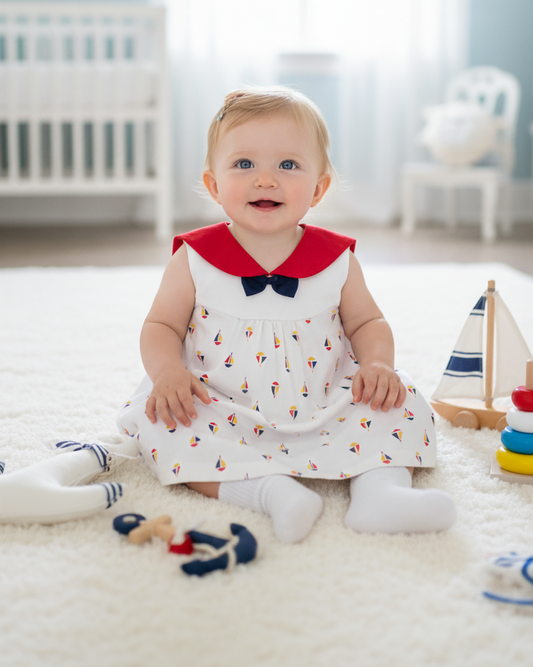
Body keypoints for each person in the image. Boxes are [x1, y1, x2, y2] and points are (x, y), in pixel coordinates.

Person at [118, 87, 456, 543]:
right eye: (244, 164)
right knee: (160, 421)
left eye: (288, 165)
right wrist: (168, 373)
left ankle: (379, 495)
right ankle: (271, 492)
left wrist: (377, 365)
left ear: (318, 189)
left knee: (402, 401)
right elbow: (161, 326)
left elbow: (366, 323)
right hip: (221, 401)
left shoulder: (337, 259)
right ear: (214, 185)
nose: (265, 180)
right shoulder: (195, 257)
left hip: (324, 399)